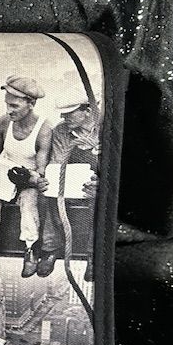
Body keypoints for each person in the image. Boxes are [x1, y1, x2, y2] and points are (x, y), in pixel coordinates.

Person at [0, 75, 52, 278]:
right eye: (7, 104)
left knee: (29, 201)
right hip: (5, 175)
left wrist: (29, 178)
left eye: (14, 106)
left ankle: (30, 247)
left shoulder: (43, 129)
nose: (9, 110)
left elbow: (41, 170)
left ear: (31, 103)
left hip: (28, 180)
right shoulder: (4, 122)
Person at [37, 91, 100, 282]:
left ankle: (93, 256)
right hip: (72, 182)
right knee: (51, 196)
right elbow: (57, 162)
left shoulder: (108, 130)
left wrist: (103, 185)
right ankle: (50, 249)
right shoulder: (61, 131)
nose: (63, 117)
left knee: (100, 204)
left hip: (97, 185)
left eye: (69, 112)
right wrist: (51, 181)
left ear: (88, 110)